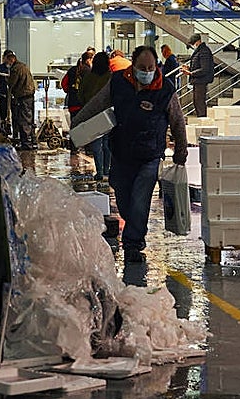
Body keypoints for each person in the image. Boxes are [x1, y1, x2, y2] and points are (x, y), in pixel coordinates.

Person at [72, 45, 188, 263]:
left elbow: (178, 121)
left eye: (151, 67)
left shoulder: (165, 89)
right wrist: (77, 126)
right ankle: (133, 229)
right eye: (142, 67)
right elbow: (97, 104)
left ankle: (134, 244)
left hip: (150, 156)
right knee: (124, 199)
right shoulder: (118, 82)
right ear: (133, 66)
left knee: (140, 199)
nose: (147, 71)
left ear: (156, 67)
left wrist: (181, 152)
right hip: (122, 153)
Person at [78, 51, 113, 181]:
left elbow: (80, 94)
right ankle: (106, 170)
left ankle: (99, 172)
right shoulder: (111, 77)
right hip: (108, 113)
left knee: (97, 145)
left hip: (93, 114)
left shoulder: (88, 77)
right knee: (107, 144)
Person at [4, 50, 36, 149]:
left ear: (11, 60)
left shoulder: (16, 68)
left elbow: (12, 83)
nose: (6, 64)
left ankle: (26, 144)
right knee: (29, 119)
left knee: (24, 120)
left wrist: (7, 79)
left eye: (6, 61)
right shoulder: (23, 66)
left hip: (23, 96)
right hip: (29, 95)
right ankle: (31, 141)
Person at [187, 34, 215, 117]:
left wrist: (191, 73)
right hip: (198, 80)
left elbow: (204, 69)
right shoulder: (200, 51)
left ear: (198, 41)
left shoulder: (204, 51)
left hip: (201, 81)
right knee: (197, 101)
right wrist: (189, 68)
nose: (193, 45)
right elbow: (198, 65)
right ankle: (201, 118)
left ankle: (202, 119)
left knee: (199, 102)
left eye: (193, 43)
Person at [60, 51, 92, 120]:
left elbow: (64, 84)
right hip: (84, 105)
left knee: (74, 127)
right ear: (88, 60)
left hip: (72, 104)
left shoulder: (72, 70)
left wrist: (70, 90)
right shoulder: (90, 72)